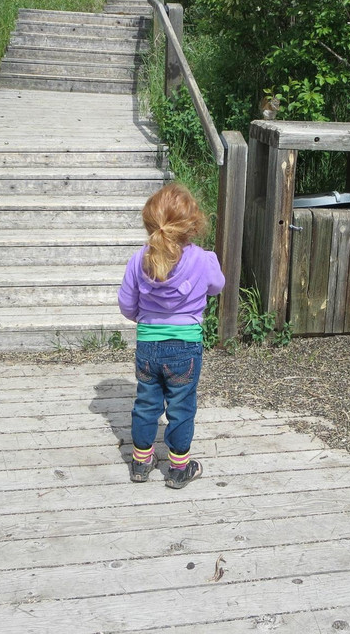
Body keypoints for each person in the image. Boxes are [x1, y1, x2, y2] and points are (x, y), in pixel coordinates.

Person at [118, 182, 225, 489]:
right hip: (185, 347)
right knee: (181, 406)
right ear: (192, 225)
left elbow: (127, 305)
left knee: (146, 403)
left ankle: (141, 462)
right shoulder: (204, 260)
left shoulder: (139, 260)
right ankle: (179, 469)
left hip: (148, 345)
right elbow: (218, 286)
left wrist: (146, 318)